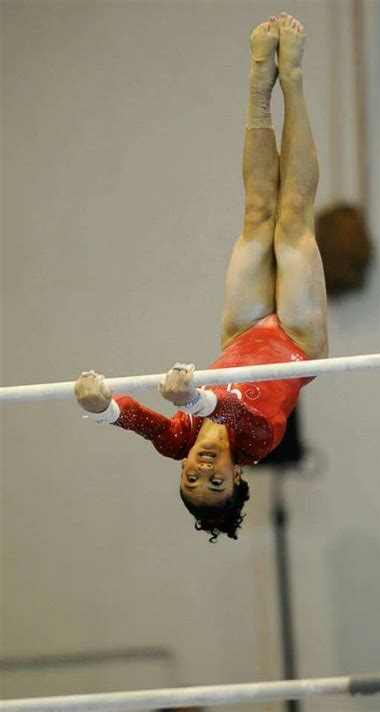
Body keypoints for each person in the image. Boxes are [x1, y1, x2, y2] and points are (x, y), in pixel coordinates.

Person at [75, 13, 328, 542]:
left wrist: (99, 406)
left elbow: (129, 416)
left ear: (182, 467)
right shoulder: (259, 444)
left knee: (258, 213)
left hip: (242, 334)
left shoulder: (176, 438)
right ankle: (296, 80)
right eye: (216, 481)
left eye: (193, 477)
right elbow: (235, 411)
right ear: (237, 476)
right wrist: (195, 400)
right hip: (296, 347)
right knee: (292, 221)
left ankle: (261, 88)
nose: (203, 467)